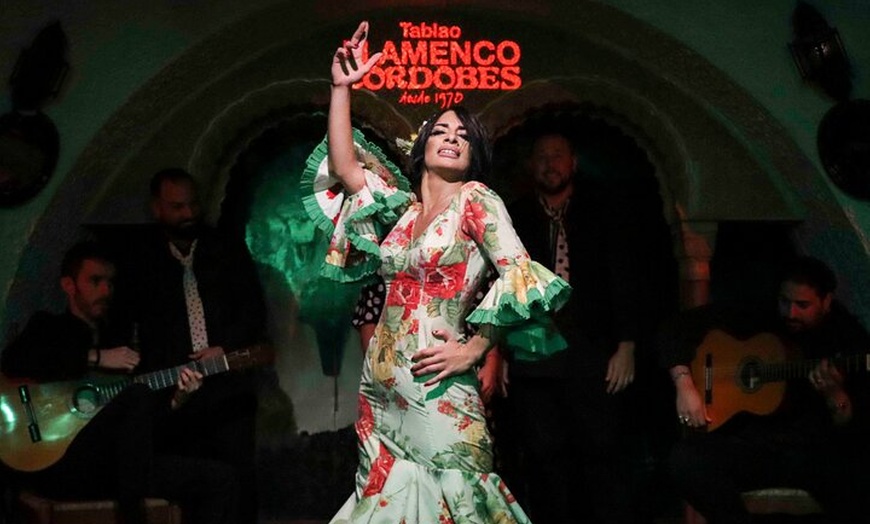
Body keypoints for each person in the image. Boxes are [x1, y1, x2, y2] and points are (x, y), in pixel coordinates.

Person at [303, 21, 571, 523]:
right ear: (421, 145)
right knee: (387, 506)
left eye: (463, 135)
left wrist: (475, 347)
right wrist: (342, 88)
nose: (451, 138)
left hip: (436, 378)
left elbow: (519, 276)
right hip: (382, 381)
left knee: (462, 498)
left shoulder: (477, 200)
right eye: (441, 131)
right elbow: (344, 167)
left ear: (473, 154)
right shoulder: (401, 210)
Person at [0, 240, 238, 524]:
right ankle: (132, 517)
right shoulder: (47, 327)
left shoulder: (123, 341)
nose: (105, 290)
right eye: (95, 281)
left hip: (117, 468)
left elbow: (138, 424)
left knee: (221, 479)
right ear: (69, 285)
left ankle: (133, 501)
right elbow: (15, 362)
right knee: (136, 394)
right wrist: (96, 357)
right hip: (60, 464)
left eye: (109, 283)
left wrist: (177, 400)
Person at [660, 255, 870, 524]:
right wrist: (684, 382)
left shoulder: (850, 341)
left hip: (812, 453)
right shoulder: (764, 315)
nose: (790, 313)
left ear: (826, 301)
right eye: (785, 301)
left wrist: (836, 396)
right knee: (685, 460)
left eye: (802, 305)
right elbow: (675, 327)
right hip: (756, 446)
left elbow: (853, 427)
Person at [503, 130, 642, 523]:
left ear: (573, 163)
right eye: (542, 156)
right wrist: (501, 351)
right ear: (531, 165)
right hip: (534, 350)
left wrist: (627, 345)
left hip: (592, 348)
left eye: (558, 155)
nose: (550, 163)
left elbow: (626, 279)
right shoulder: (516, 216)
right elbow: (502, 285)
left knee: (601, 449)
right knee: (543, 454)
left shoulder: (603, 211)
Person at [127, 168, 269, 524]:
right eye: (177, 207)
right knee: (193, 488)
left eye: (192, 205)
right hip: (174, 395)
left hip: (228, 387)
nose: (188, 214)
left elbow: (254, 309)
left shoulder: (225, 248)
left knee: (238, 479)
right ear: (157, 208)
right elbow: (139, 328)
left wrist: (225, 347)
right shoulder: (143, 262)